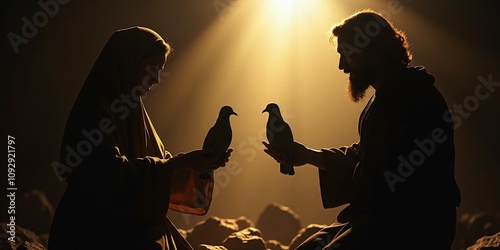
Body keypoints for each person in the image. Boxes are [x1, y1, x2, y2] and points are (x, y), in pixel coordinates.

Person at [263, 10, 461, 249]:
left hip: (411, 225)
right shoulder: (387, 96)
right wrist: (306, 155)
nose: (341, 65)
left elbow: (382, 174)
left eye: (347, 54)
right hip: (377, 218)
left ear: (373, 52)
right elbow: (365, 158)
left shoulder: (415, 97)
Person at [48, 26, 231, 250]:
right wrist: (178, 163)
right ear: (128, 62)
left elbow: (163, 170)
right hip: (91, 228)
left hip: (130, 224)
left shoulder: (135, 115)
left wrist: (201, 165)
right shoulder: (94, 111)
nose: (156, 79)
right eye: (152, 68)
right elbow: (108, 175)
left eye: (160, 69)